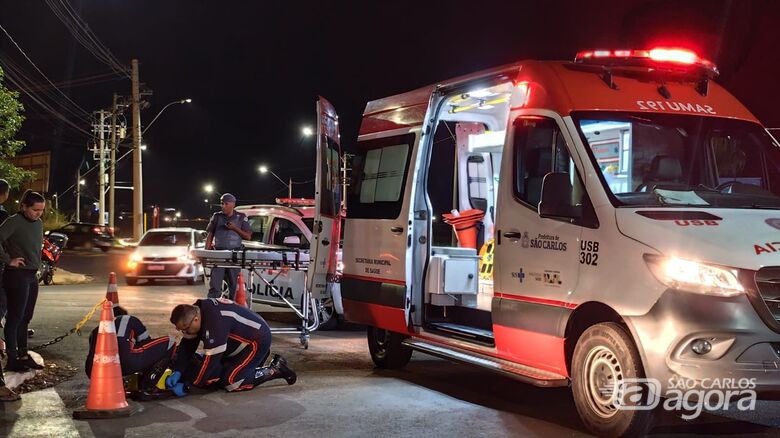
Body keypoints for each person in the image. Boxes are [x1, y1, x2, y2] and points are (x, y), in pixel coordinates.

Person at [166, 298, 296, 396]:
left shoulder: (215, 322)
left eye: (186, 329)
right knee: (213, 375)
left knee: (232, 382)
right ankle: (249, 364)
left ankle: (276, 369)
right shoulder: (199, 311)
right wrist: (178, 370)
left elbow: (210, 362)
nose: (185, 333)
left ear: (195, 319)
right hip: (237, 344)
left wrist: (188, 387)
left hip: (257, 341)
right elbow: (187, 345)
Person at [0, 190, 44, 376]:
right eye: (35, 210)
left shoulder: (39, 223)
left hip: (32, 274)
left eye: (42, 210)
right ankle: (12, 359)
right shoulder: (13, 222)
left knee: (26, 317)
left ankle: (23, 355)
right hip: (16, 275)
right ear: (24, 206)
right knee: (15, 318)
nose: (38, 214)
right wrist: (8, 259)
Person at [85, 306, 175, 380]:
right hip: (126, 364)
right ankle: (149, 383)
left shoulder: (95, 331)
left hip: (94, 372)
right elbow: (147, 342)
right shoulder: (129, 319)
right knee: (170, 341)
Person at [205, 193, 251, 300]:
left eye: (226, 204)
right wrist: (206, 254)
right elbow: (210, 235)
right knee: (215, 287)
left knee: (233, 286)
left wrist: (235, 228)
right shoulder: (217, 217)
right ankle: (213, 308)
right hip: (218, 256)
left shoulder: (241, 217)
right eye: (222, 203)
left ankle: (233, 309)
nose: (223, 206)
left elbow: (248, 236)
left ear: (233, 204)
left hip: (234, 256)